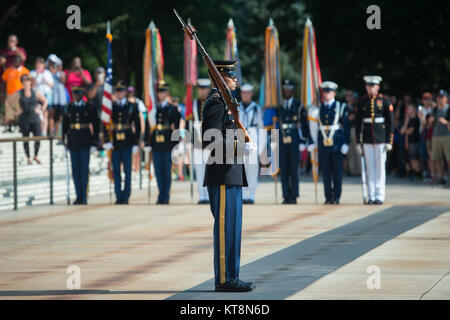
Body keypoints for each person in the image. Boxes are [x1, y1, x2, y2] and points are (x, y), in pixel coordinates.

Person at [202, 60, 256, 292]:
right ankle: (224, 279)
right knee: (225, 228)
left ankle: (232, 276)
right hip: (222, 174)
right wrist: (240, 146)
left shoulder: (226, 103)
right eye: (231, 76)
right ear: (220, 77)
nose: (236, 80)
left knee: (233, 228)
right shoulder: (216, 103)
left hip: (232, 173)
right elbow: (210, 139)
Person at [308, 81, 350, 204]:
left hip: (336, 144)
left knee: (337, 172)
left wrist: (346, 142)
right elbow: (313, 126)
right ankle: (328, 196)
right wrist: (312, 142)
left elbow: (346, 126)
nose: (326, 94)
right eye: (324, 92)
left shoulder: (340, 107)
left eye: (328, 92)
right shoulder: (318, 108)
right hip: (323, 144)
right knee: (325, 172)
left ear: (334, 93)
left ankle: (336, 196)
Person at [355, 75, 394, 204]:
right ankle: (371, 195)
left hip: (380, 138)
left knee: (380, 168)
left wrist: (389, 141)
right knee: (370, 168)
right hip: (367, 138)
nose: (370, 88)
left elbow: (390, 122)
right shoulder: (362, 101)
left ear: (377, 87)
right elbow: (357, 123)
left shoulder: (384, 101)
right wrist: (357, 141)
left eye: (373, 86)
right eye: (368, 86)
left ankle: (379, 195)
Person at [103, 80, 141, 204]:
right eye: (117, 91)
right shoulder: (111, 106)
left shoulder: (132, 106)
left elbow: (138, 125)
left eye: (121, 91)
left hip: (127, 141)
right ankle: (118, 195)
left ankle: (126, 195)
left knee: (127, 170)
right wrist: (107, 140)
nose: (119, 94)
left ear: (125, 92)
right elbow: (105, 123)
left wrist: (136, 142)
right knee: (116, 170)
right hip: (115, 143)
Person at [145, 80, 181, 204]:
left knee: (166, 171)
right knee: (158, 171)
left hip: (167, 144)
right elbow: (148, 126)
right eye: (159, 91)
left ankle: (165, 196)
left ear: (167, 93)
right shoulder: (154, 109)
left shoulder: (172, 108)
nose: (161, 93)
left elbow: (176, 127)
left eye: (163, 91)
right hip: (156, 144)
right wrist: (147, 143)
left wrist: (177, 145)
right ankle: (161, 194)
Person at [62, 85, 99, 204]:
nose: (77, 96)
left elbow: (96, 124)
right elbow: (65, 126)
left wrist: (94, 142)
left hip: (85, 141)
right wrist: (64, 142)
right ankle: (78, 195)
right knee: (75, 170)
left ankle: (84, 195)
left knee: (84, 169)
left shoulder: (89, 107)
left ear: (82, 95)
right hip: (73, 142)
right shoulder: (68, 108)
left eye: (79, 94)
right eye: (75, 94)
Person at [277, 79, 308, 204]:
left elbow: (304, 124)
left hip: (295, 138)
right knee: (284, 169)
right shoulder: (278, 105)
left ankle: (294, 196)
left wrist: (303, 140)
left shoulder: (298, 105)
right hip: (281, 139)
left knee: (294, 169)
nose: (287, 91)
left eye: (289, 88)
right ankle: (286, 195)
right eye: (285, 88)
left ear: (293, 90)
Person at [5, 74, 47, 164]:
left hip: (34, 118)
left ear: (30, 81)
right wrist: (15, 112)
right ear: (22, 82)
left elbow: (45, 101)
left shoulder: (35, 91)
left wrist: (41, 110)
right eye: (24, 80)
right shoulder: (19, 92)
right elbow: (7, 102)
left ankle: (36, 155)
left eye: (28, 80)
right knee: (25, 138)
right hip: (24, 119)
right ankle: (28, 157)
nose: (26, 82)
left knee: (38, 137)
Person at [238, 83, 263, 204]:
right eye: (243, 93)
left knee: (252, 167)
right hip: (240, 135)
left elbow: (261, 127)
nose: (246, 95)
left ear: (251, 94)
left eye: (248, 93)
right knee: (241, 166)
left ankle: (251, 194)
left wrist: (261, 146)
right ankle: (242, 193)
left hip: (253, 135)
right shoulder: (237, 107)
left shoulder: (256, 108)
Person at [191, 78, 211, 204]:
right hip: (198, 140)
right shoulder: (193, 103)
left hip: (210, 140)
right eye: (200, 89)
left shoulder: (212, 102)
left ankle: (209, 195)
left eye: (204, 89)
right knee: (199, 170)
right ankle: (202, 195)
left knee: (209, 170)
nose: (202, 91)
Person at [2, 56, 29, 128]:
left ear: (21, 62)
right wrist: (3, 93)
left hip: (20, 95)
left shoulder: (25, 70)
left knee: (20, 110)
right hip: (10, 94)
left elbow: (28, 83)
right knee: (9, 112)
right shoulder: (8, 70)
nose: (16, 63)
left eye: (17, 61)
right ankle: (9, 128)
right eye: (15, 61)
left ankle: (21, 127)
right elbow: (4, 82)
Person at [430, 90, 450, 185]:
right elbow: (431, 125)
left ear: (446, 98)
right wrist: (430, 121)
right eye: (438, 97)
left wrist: (446, 122)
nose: (439, 99)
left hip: (447, 135)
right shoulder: (435, 109)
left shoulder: (448, 109)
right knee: (436, 158)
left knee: (448, 158)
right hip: (436, 135)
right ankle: (440, 177)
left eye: (442, 97)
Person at [30, 57, 54, 135]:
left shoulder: (47, 73)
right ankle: (37, 131)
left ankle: (44, 132)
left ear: (43, 65)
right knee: (37, 114)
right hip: (36, 96)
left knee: (45, 114)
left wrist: (45, 81)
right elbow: (31, 86)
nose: (39, 66)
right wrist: (36, 76)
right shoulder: (32, 73)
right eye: (37, 64)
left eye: (41, 64)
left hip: (46, 96)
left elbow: (51, 85)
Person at [47, 54, 67, 136]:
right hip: (52, 98)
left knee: (59, 117)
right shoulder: (48, 73)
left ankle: (57, 133)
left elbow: (63, 81)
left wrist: (59, 70)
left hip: (61, 99)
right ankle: (50, 132)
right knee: (52, 115)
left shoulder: (61, 73)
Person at [127, 86, 146, 173]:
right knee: (130, 150)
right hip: (129, 128)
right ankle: (132, 166)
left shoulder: (139, 103)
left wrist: (142, 130)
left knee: (137, 150)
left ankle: (137, 167)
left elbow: (142, 117)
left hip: (137, 127)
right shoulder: (126, 102)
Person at [400, 104, 422, 180]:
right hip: (410, 142)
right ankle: (414, 173)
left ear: (413, 110)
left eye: (409, 109)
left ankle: (418, 174)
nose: (408, 111)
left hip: (415, 141)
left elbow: (410, 131)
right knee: (411, 159)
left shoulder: (416, 119)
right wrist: (406, 122)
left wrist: (406, 130)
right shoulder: (408, 120)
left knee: (415, 159)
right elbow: (402, 132)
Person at [344, 90, 361, 176]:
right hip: (347, 129)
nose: (349, 97)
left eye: (350, 95)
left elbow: (352, 117)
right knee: (349, 150)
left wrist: (344, 119)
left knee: (356, 149)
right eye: (347, 96)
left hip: (354, 129)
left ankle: (359, 170)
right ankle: (352, 170)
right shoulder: (345, 106)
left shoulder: (355, 106)